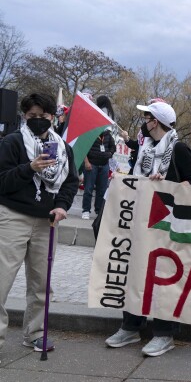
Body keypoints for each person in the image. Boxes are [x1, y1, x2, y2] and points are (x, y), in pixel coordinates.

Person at [105, 100, 191, 357]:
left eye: (147, 118)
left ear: (155, 122)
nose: (144, 124)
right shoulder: (145, 149)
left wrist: (167, 183)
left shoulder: (179, 149)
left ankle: (164, 333)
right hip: (138, 219)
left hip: (166, 225)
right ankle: (130, 326)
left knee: (164, 278)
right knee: (133, 273)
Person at [0, 93, 78, 353]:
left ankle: (35, 333)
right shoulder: (12, 142)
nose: (38, 121)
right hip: (13, 216)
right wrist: (29, 168)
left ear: (52, 117)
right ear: (25, 116)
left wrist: (62, 205)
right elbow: (3, 180)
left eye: (43, 116)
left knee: (41, 283)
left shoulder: (63, 148)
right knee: (2, 279)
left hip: (47, 221)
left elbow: (69, 182)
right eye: (32, 116)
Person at [81, 98, 117, 220]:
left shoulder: (107, 134)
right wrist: (86, 162)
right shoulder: (90, 133)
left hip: (104, 165)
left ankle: (98, 210)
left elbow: (113, 147)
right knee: (88, 189)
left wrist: (109, 154)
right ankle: (85, 210)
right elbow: (83, 148)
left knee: (101, 190)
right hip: (92, 164)